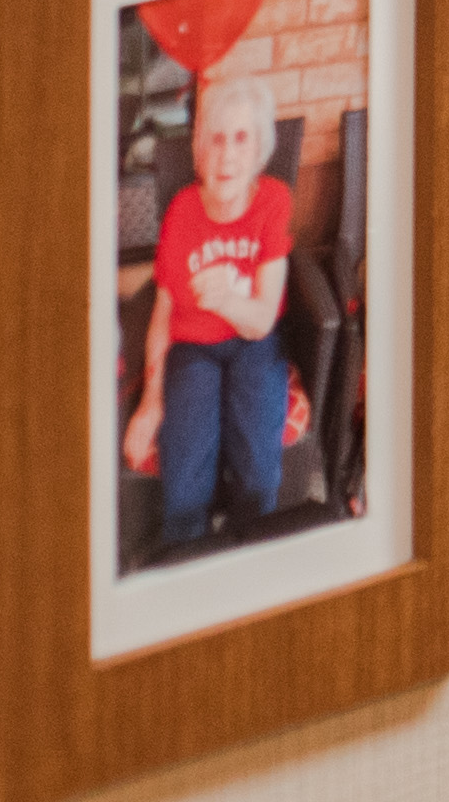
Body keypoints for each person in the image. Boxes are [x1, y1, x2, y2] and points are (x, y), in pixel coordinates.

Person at [122, 62, 305, 559]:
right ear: (199, 150)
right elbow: (163, 311)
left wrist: (226, 299)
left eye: (241, 139)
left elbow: (263, 317)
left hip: (253, 344)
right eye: (217, 139)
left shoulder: (273, 201)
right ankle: (189, 574)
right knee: (184, 479)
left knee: (258, 472)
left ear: (259, 147)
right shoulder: (182, 211)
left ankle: (250, 568)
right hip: (192, 350)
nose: (228, 155)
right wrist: (151, 402)